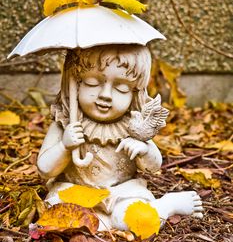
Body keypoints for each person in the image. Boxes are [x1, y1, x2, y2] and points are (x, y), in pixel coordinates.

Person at [37, 44, 203, 232]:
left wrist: (145, 150)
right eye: (92, 83)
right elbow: (45, 169)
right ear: (74, 82)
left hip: (122, 192)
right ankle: (106, 223)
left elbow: (153, 166)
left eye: (122, 88)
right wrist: (64, 146)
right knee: (57, 216)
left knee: (136, 219)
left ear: (135, 92)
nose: (105, 95)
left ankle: (166, 205)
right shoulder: (65, 123)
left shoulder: (134, 124)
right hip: (74, 191)